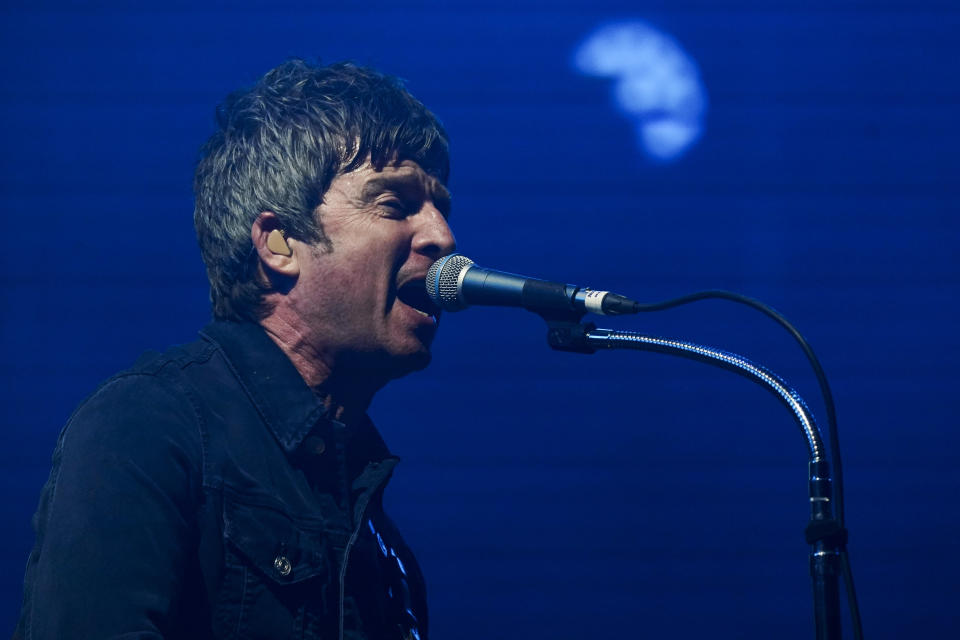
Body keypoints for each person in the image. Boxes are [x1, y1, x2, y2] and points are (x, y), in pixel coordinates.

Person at [15, 59, 455, 640]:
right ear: (278, 242)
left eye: (441, 207)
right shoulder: (150, 424)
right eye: (394, 205)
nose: (442, 237)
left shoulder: (367, 507)